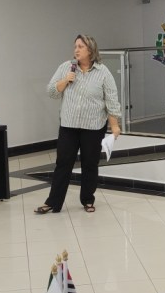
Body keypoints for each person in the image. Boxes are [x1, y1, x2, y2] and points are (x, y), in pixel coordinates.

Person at [35, 34, 122, 214]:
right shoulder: (66, 67)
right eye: (75, 46)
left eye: (80, 47)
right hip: (69, 126)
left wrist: (114, 126)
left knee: (90, 164)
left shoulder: (103, 72)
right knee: (63, 163)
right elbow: (51, 92)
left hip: (93, 127)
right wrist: (66, 80)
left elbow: (111, 101)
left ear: (90, 50)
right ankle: (53, 202)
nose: (76, 50)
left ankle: (88, 200)